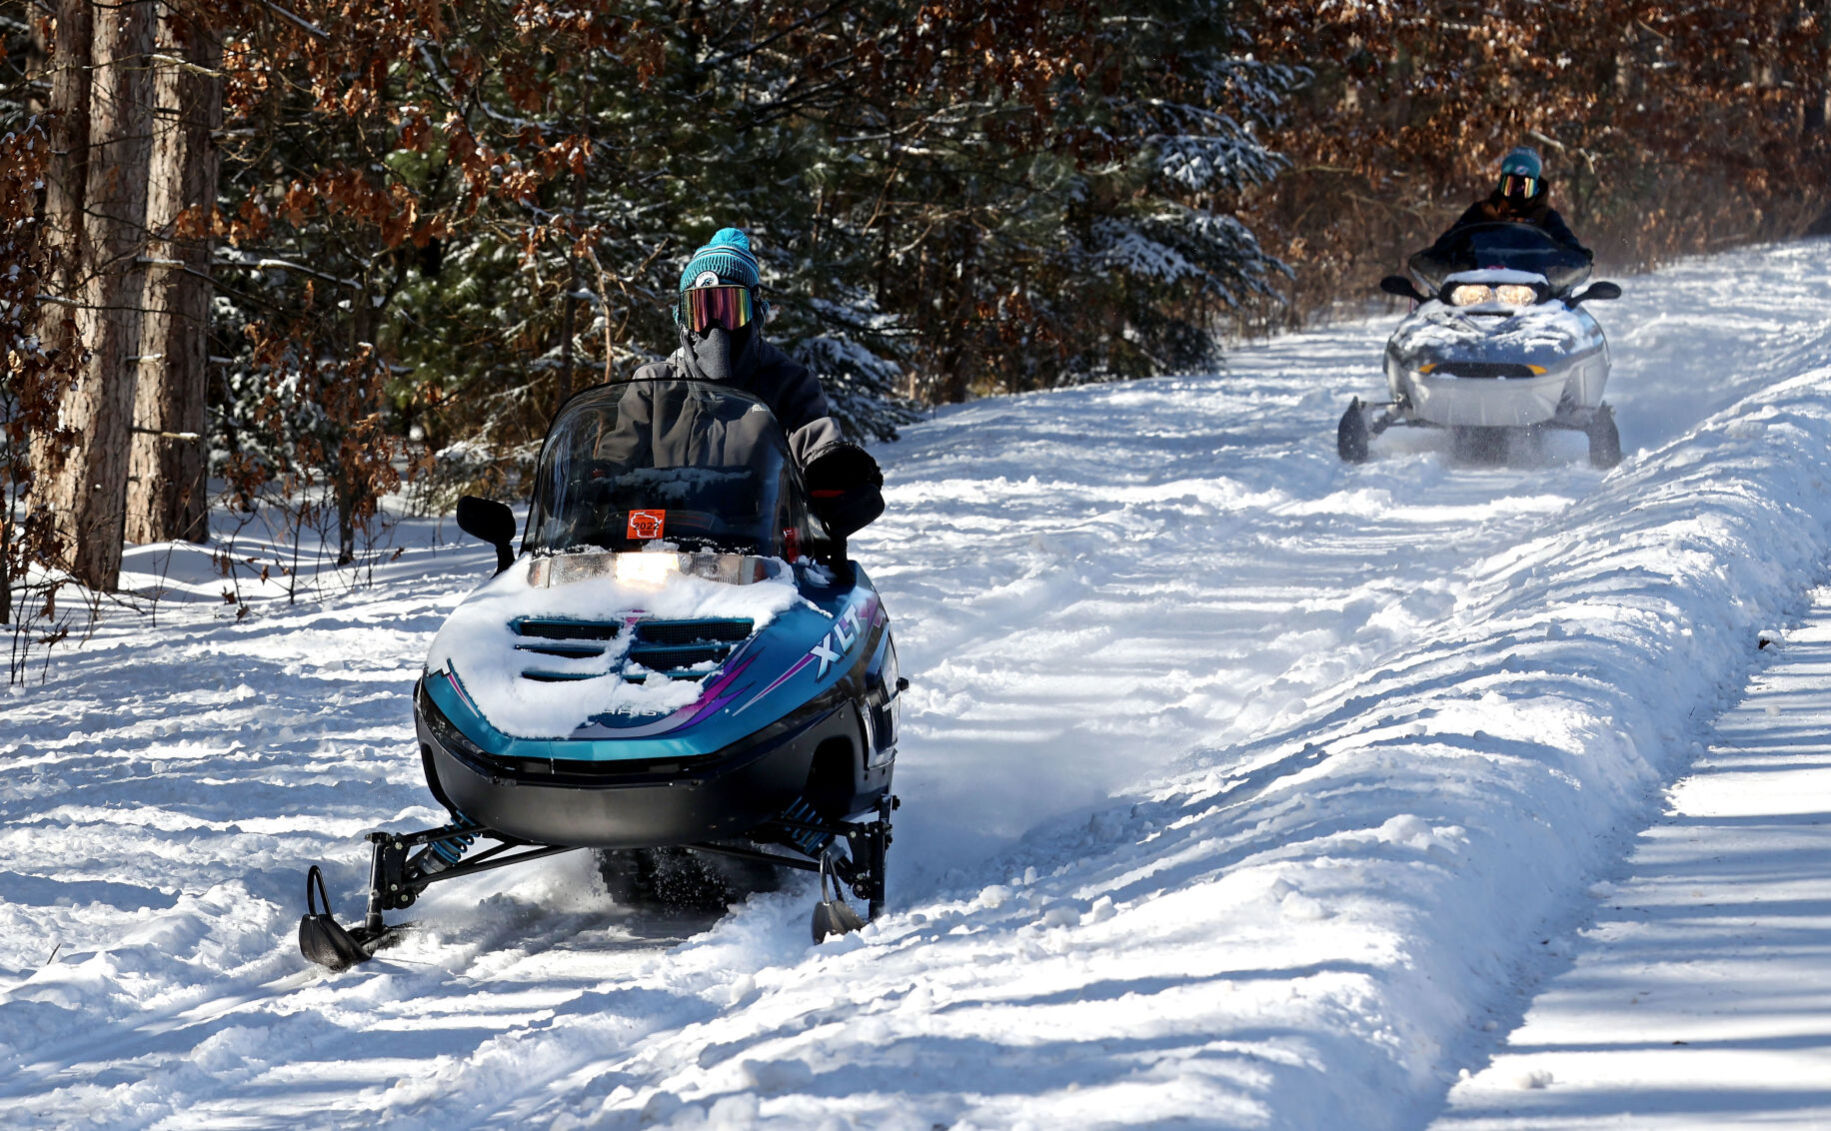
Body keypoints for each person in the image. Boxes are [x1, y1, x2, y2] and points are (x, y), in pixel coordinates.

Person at [629, 226, 884, 542]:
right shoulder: (653, 385)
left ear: (755, 313)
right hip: (655, 553)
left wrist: (834, 468)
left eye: (728, 310)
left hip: (764, 556)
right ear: (682, 319)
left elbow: (812, 438)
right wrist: (581, 481)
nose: (715, 327)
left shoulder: (788, 382)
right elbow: (615, 458)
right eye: (701, 312)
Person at [1427, 146, 1591, 260]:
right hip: (1478, 285)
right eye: (1510, 186)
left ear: (1536, 188)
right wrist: (1440, 253)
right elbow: (1454, 236)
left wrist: (1576, 254)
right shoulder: (1482, 211)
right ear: (1501, 185)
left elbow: (1566, 240)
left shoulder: (1546, 217)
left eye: (1524, 187)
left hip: (1534, 290)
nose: (1516, 193)